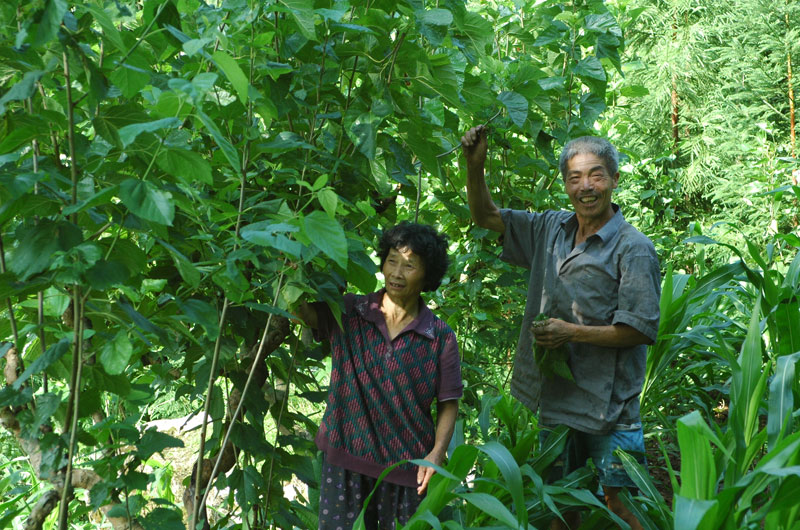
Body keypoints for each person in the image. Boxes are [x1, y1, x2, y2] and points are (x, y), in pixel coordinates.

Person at [461, 127, 660, 530]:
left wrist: (571, 332)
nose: (586, 186)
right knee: (557, 508)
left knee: (623, 507)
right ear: (566, 185)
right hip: (557, 401)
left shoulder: (633, 248)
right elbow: (484, 216)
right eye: (575, 177)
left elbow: (639, 329)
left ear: (614, 180)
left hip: (611, 409)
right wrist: (475, 165)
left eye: (596, 175)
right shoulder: (550, 228)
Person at [296, 221, 462, 530]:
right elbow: (302, 311)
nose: (397, 273)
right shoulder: (350, 311)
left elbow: (448, 402)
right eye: (392, 261)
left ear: (427, 274)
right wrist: (294, 259)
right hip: (346, 458)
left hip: (406, 469)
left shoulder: (439, 336)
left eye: (410, 265)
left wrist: (437, 455)